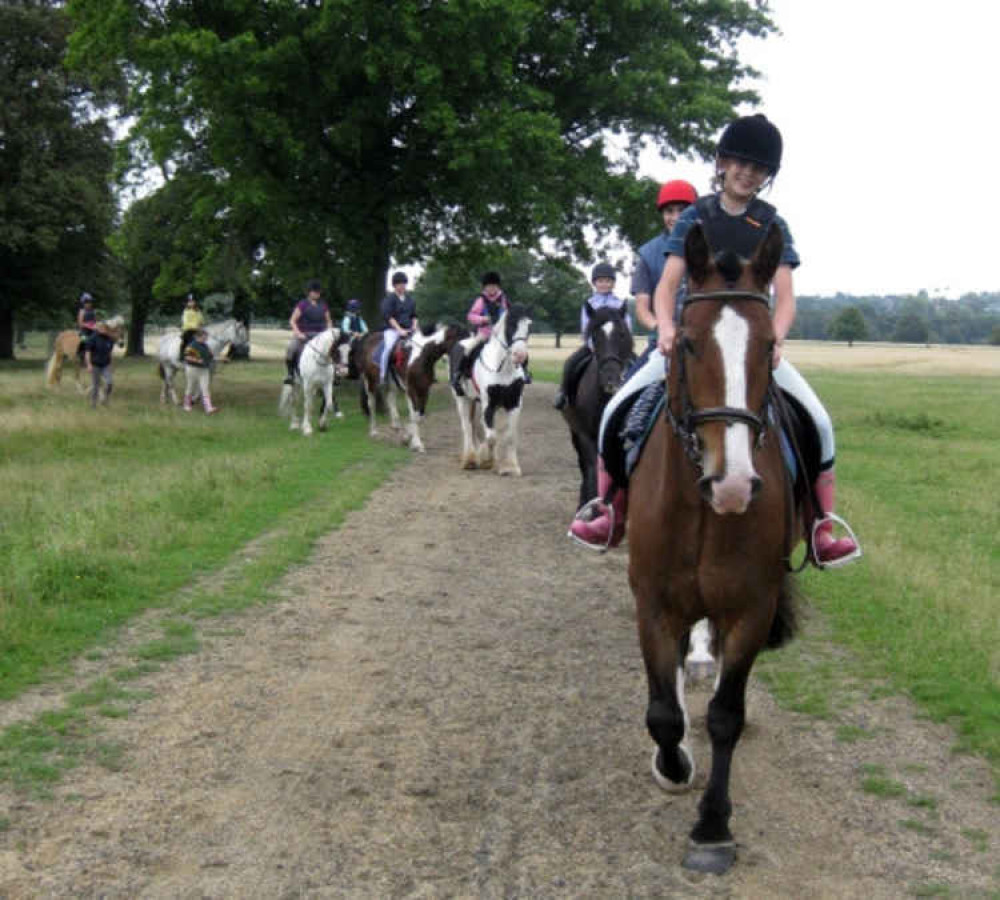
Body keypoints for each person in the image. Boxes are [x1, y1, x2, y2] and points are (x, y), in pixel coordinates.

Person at [569, 114, 860, 567]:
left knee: (819, 422)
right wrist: (666, 328)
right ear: (723, 162)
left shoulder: (771, 224)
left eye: (759, 167)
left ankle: (820, 524)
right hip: (692, 339)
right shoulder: (693, 217)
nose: (748, 173)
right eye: (740, 162)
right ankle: (610, 510)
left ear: (768, 176)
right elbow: (667, 286)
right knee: (614, 412)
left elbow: (784, 298)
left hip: (751, 344)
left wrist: (777, 338)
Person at [552, 262, 632, 410]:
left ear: (613, 283)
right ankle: (564, 394)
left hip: (617, 349)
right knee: (570, 363)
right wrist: (594, 346)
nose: (604, 284)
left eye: (608, 281)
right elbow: (586, 328)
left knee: (637, 363)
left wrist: (622, 346)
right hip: (596, 346)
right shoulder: (589, 304)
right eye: (601, 281)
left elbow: (627, 326)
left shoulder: (619, 304)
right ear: (594, 283)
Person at [450, 271, 510, 395]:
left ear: (498, 286)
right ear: (485, 287)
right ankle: (458, 374)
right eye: (488, 286)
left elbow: (511, 314)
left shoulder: (504, 299)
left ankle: (523, 373)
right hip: (484, 333)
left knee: (517, 349)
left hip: (500, 335)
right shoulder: (481, 300)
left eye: (493, 286)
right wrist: (483, 319)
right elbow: (470, 316)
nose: (491, 288)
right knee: (468, 349)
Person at [285, 279, 333, 385]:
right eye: (314, 291)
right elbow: (292, 321)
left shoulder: (323, 305)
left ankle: (335, 375)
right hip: (304, 334)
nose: (317, 293)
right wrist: (298, 334)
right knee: (291, 349)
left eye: (318, 292)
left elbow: (329, 321)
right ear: (309, 292)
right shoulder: (302, 304)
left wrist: (329, 333)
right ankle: (290, 374)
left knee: (334, 350)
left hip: (320, 336)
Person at [379, 271, 417, 383]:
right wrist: (399, 330)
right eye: (400, 284)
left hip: (409, 329)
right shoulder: (389, 299)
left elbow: (414, 315)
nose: (403, 286)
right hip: (392, 330)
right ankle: (383, 375)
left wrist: (414, 326)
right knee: (388, 348)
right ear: (394, 285)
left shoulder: (410, 300)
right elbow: (388, 316)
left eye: (404, 284)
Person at [182, 327, 218, 414]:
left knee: (205, 388)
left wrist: (222, 359)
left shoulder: (205, 346)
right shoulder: (192, 346)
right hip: (192, 370)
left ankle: (208, 408)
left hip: (204, 370)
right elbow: (187, 357)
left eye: (206, 337)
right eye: (205, 337)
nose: (206, 338)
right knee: (190, 387)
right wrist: (197, 360)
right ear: (198, 337)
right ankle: (186, 405)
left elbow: (211, 357)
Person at [84, 321, 117, 408]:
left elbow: (110, 353)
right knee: (96, 385)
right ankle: (93, 404)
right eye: (101, 328)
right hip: (95, 365)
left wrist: (111, 364)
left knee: (110, 383)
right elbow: (88, 352)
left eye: (105, 328)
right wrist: (89, 364)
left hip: (106, 365)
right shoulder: (92, 339)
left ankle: (105, 400)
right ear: (97, 329)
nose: (104, 330)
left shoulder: (109, 340)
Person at [179, 293, 204, 361]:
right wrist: (196, 326)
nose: (191, 303)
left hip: (198, 330)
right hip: (188, 330)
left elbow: (201, 320)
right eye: (190, 302)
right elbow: (186, 322)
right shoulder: (186, 311)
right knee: (185, 341)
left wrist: (201, 325)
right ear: (187, 303)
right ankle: (181, 355)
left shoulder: (198, 311)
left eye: (193, 301)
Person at [76, 292, 98, 362]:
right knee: (84, 341)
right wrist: (88, 325)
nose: (89, 304)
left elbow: (95, 321)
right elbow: (80, 323)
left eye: (90, 302)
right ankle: (81, 355)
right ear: (83, 303)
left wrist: (95, 325)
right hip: (84, 331)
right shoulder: (82, 311)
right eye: (87, 302)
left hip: (92, 331)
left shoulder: (93, 311)